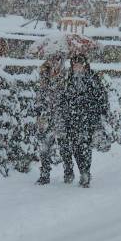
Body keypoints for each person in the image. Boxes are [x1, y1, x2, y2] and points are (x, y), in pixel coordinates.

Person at [58, 53, 109, 188]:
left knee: (85, 146)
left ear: (84, 65)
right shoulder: (68, 79)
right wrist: (65, 110)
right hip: (72, 119)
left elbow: (101, 96)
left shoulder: (92, 78)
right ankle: (82, 171)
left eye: (79, 65)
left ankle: (85, 173)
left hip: (88, 118)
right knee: (75, 147)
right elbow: (63, 98)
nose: (77, 67)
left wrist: (98, 111)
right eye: (75, 65)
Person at [34, 54, 69, 185]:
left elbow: (69, 96)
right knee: (44, 147)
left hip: (61, 115)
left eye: (57, 59)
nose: (54, 62)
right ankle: (44, 174)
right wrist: (39, 112)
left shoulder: (66, 75)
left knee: (64, 146)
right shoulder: (44, 74)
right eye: (52, 59)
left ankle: (68, 171)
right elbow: (40, 95)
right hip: (46, 116)